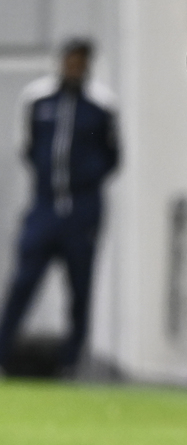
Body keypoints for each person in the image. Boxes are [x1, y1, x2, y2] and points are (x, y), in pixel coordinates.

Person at [0, 39, 119, 376]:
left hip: (83, 212)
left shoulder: (101, 105)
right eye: (70, 61)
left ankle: (71, 363)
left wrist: (83, 182)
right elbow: (27, 147)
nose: (74, 67)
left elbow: (113, 156)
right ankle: (3, 355)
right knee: (23, 282)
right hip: (43, 207)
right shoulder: (37, 99)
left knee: (80, 289)